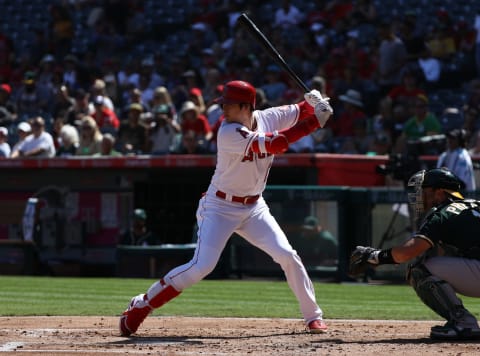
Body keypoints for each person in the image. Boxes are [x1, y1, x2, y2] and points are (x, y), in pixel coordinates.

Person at [119, 80, 333, 336]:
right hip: (219, 207)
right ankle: (142, 305)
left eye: (228, 104)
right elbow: (277, 144)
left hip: (254, 208)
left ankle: (313, 316)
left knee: (288, 255)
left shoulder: (268, 117)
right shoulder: (227, 131)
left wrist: (316, 102)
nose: (223, 110)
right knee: (202, 266)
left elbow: (301, 109)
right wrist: (314, 122)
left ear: (246, 106)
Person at [349, 168, 480, 340]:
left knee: (420, 270)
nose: (420, 196)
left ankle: (464, 323)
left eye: (425, 191)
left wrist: (375, 256)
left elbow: (407, 253)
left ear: (439, 192)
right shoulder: (475, 203)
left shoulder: (443, 213)